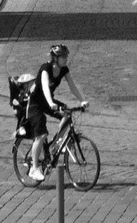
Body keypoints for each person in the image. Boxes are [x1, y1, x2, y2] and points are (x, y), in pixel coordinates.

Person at [24, 44, 87, 182]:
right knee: (41, 135)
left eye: (66, 56)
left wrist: (82, 100)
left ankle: (56, 144)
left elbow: (72, 86)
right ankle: (34, 168)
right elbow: (45, 87)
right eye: (63, 56)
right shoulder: (45, 68)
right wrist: (51, 103)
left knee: (67, 115)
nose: (66, 59)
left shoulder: (63, 69)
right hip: (35, 102)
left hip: (48, 101)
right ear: (55, 58)